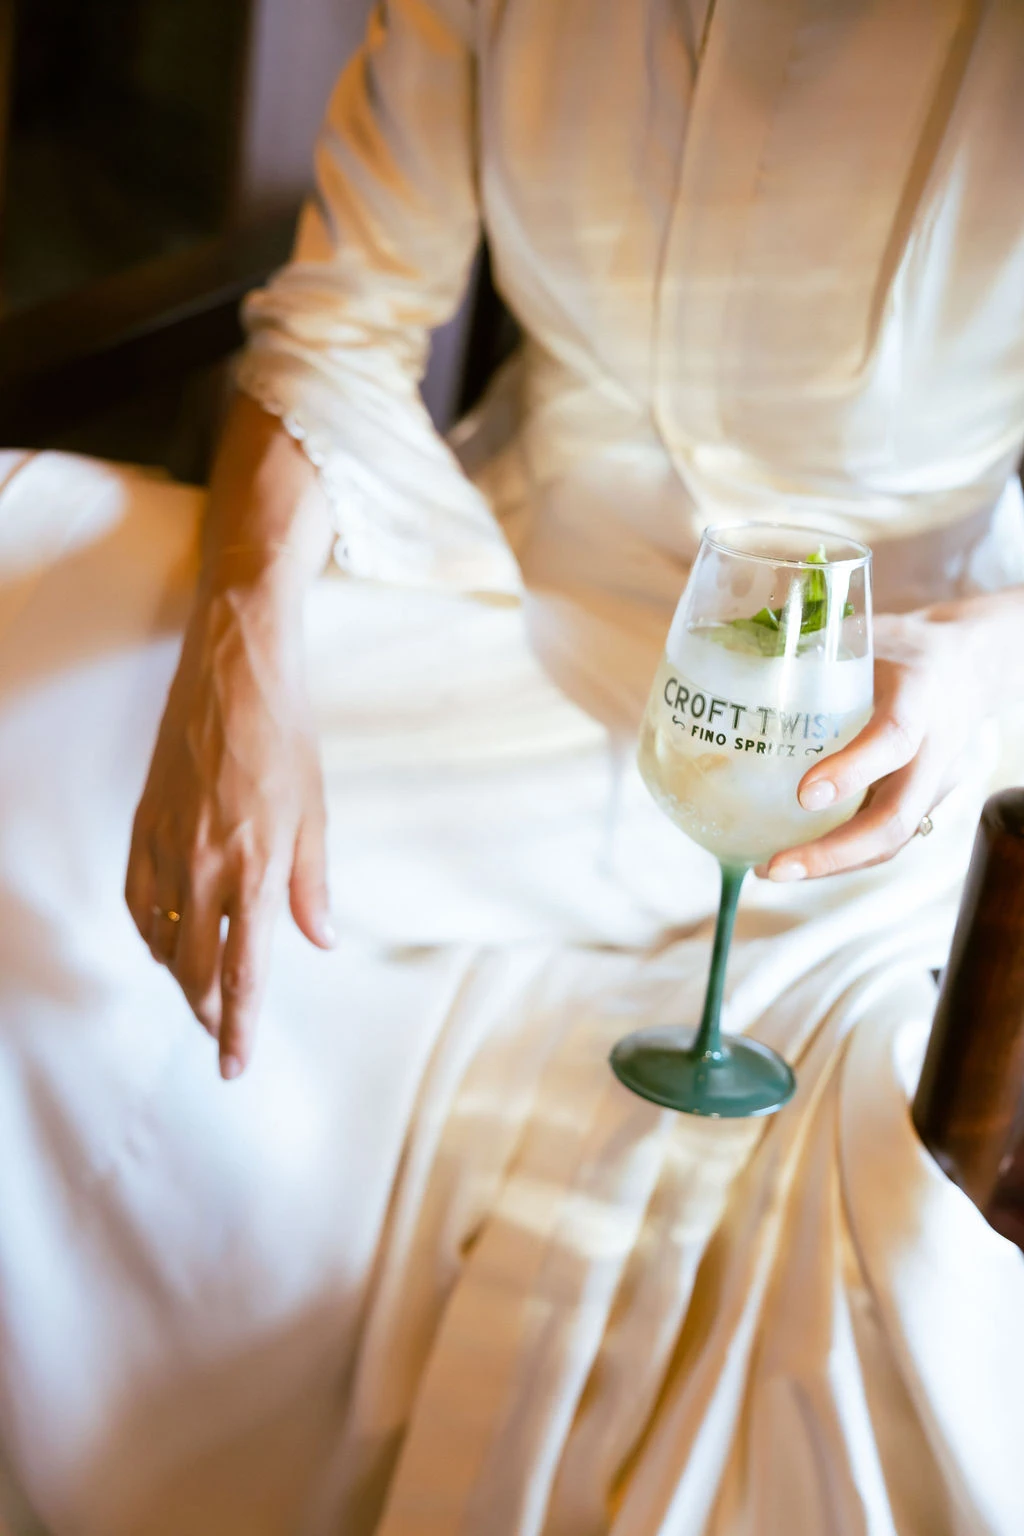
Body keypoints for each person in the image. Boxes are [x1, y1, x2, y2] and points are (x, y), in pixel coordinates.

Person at [1, 2, 1023, 1532]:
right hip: (496, 615)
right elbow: (342, 316)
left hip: (861, 726)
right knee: (29, 636)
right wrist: (246, 642)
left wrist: (993, 659)